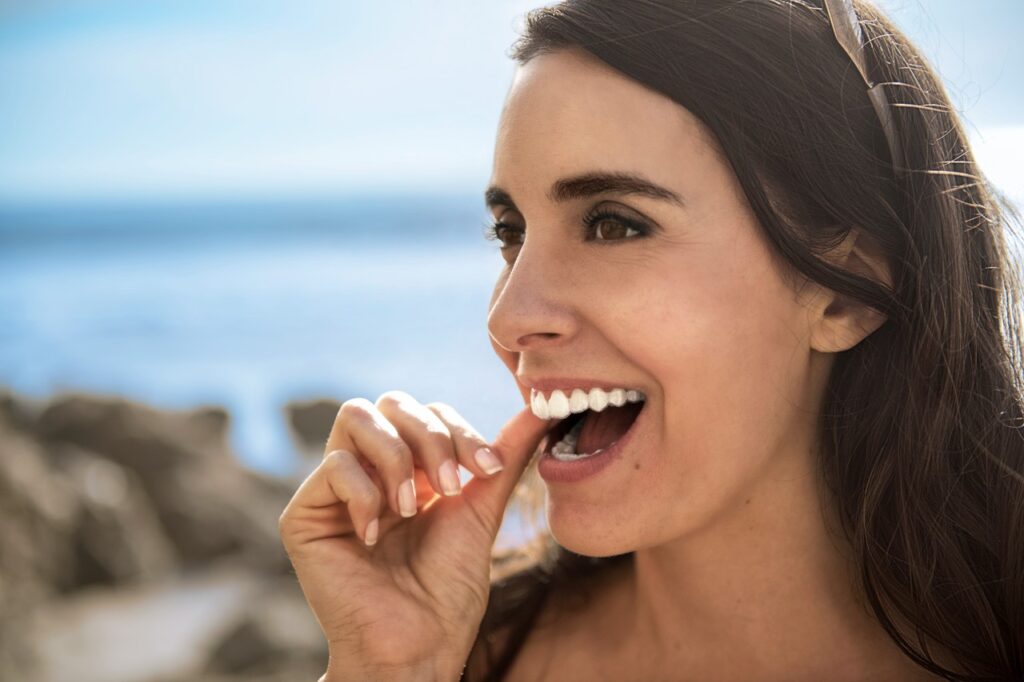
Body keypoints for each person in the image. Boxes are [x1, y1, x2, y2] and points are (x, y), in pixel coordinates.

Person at [278, 1, 1024, 679]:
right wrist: (388, 670)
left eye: (613, 224)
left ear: (843, 292)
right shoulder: (463, 653)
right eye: (511, 233)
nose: (508, 318)